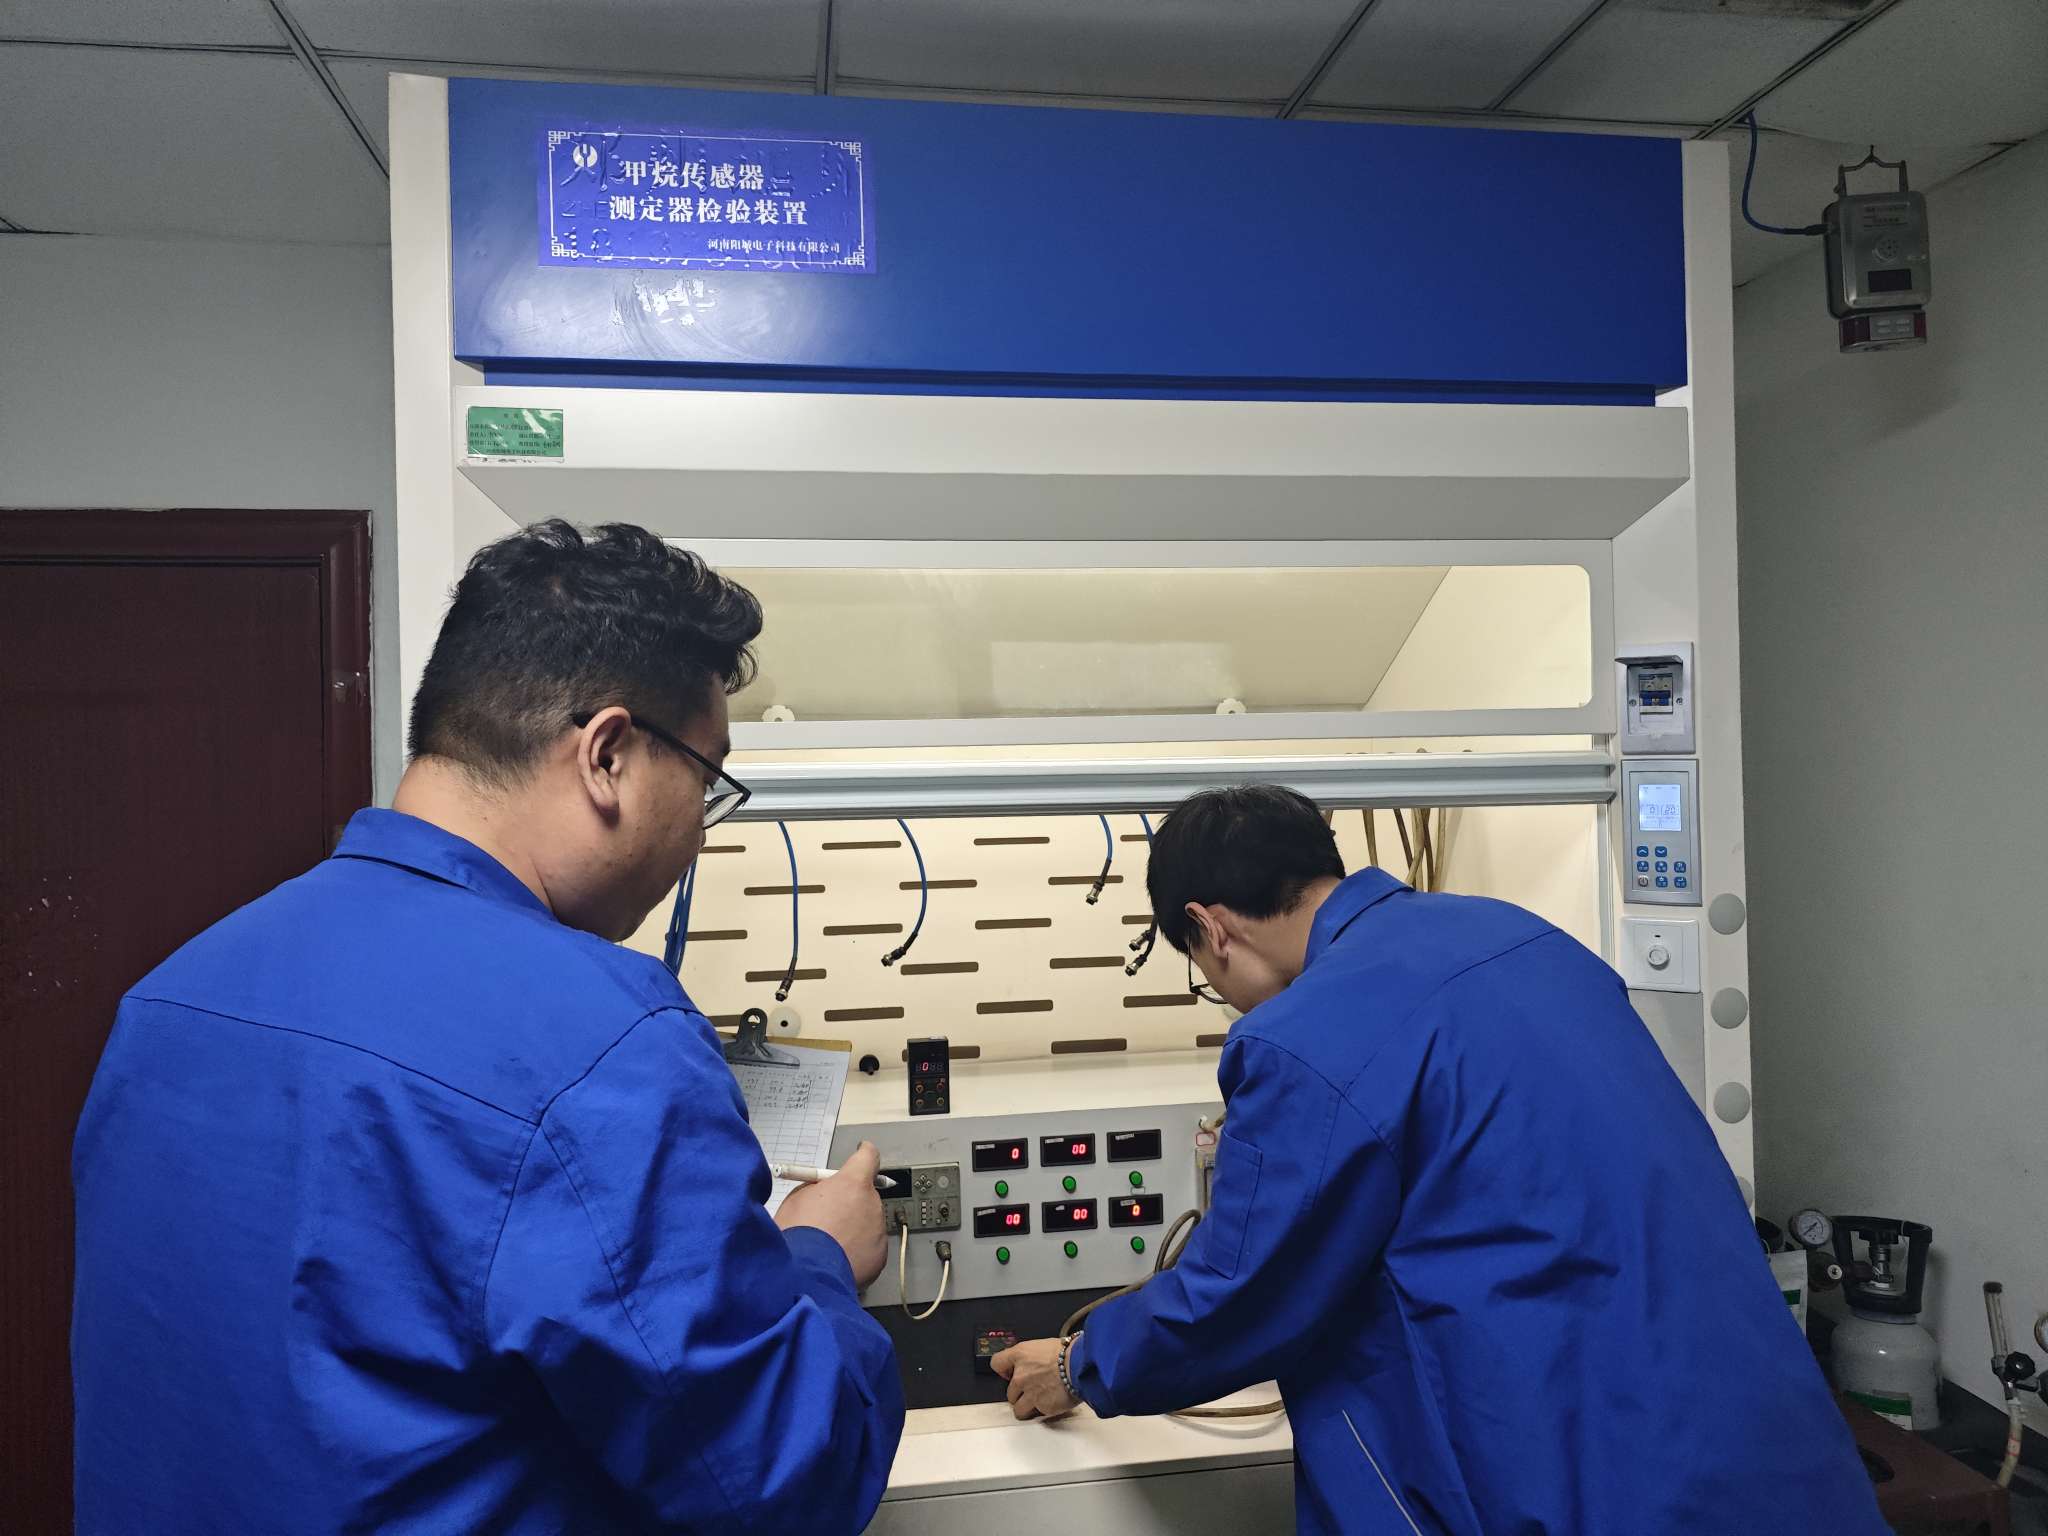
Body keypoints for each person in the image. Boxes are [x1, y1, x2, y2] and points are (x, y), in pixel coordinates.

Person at [72, 521, 903, 1534]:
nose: (697, 829)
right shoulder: (604, 1047)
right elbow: (783, 1483)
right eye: (704, 778)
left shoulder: (170, 998)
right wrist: (818, 1258)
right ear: (607, 754)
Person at [993, 785, 1884, 1535]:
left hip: (1589, 1482)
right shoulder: (1524, 937)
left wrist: (1078, 1365)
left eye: (1200, 971)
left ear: (1208, 927)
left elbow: (1238, 1295)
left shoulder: (1300, 1036)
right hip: (1767, 1441)